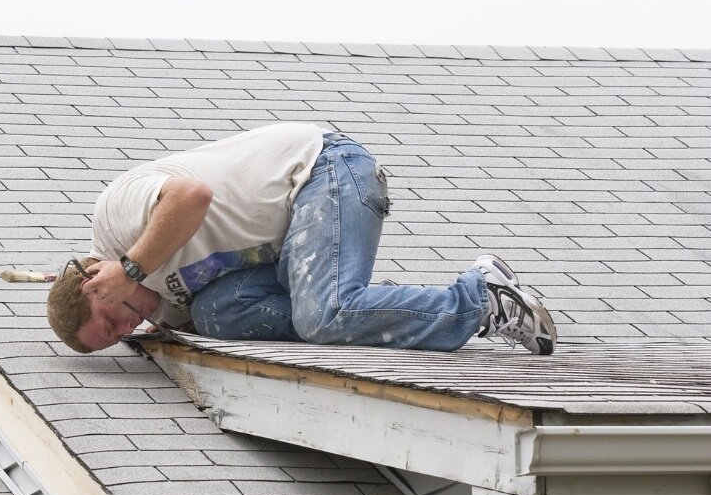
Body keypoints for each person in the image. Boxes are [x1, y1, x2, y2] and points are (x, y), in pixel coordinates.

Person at [47, 123, 555, 355]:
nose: (128, 327)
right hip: (297, 242)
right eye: (117, 338)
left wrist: (129, 268)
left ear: (96, 284)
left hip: (322, 173)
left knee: (322, 315)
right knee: (216, 317)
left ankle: (481, 298)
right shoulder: (158, 310)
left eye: (112, 319)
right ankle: (365, 303)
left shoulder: (115, 222)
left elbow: (191, 196)